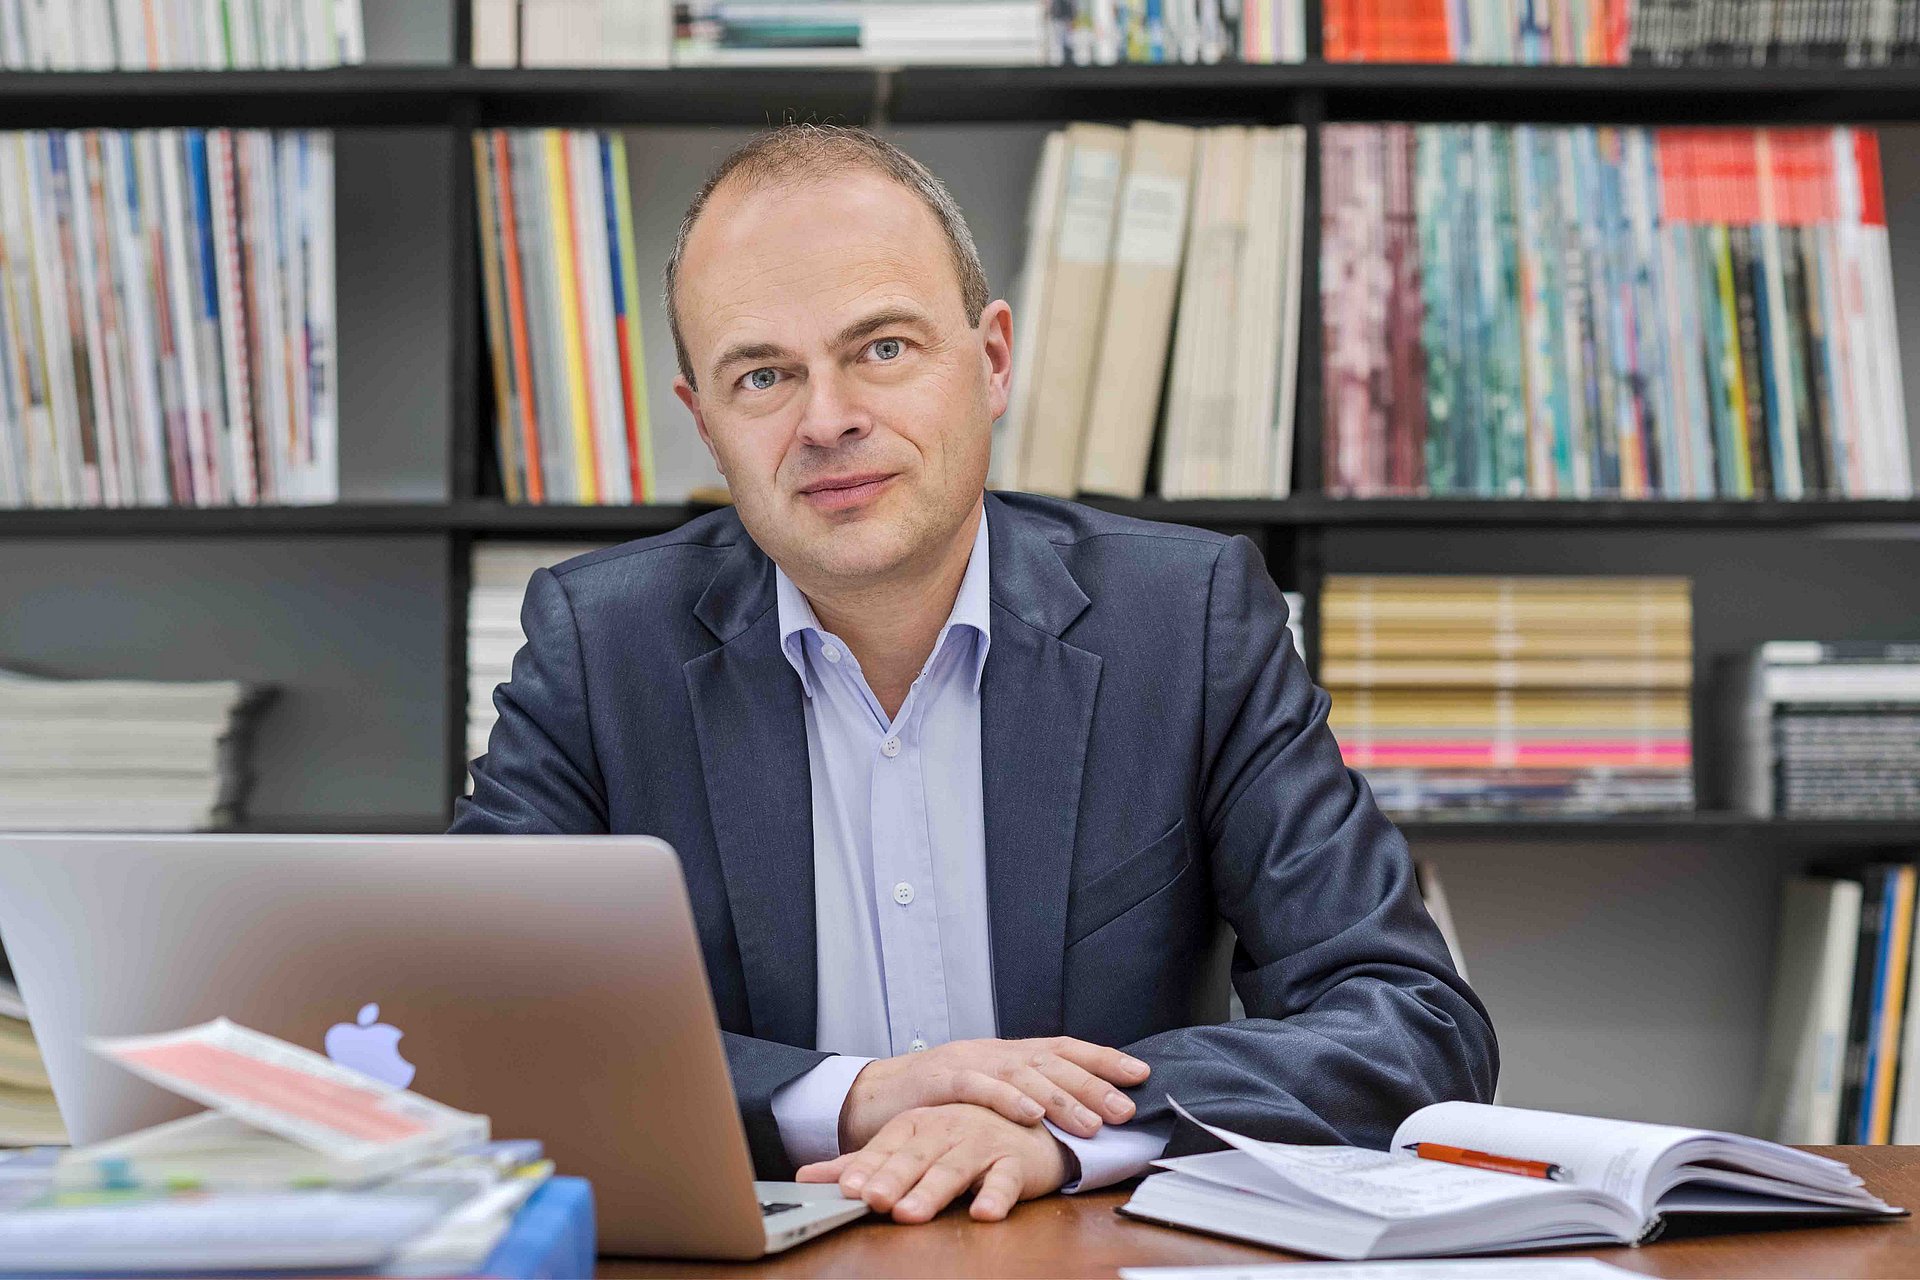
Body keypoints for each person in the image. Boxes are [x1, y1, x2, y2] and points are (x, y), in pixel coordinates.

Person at [452, 123, 1497, 1227]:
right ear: (705, 421)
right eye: (763, 375)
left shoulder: (1185, 623)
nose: (829, 417)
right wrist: (849, 1099)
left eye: (884, 349)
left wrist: (1062, 1124)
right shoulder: (602, 646)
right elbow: (476, 1019)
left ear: (991, 360)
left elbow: (1412, 1018)